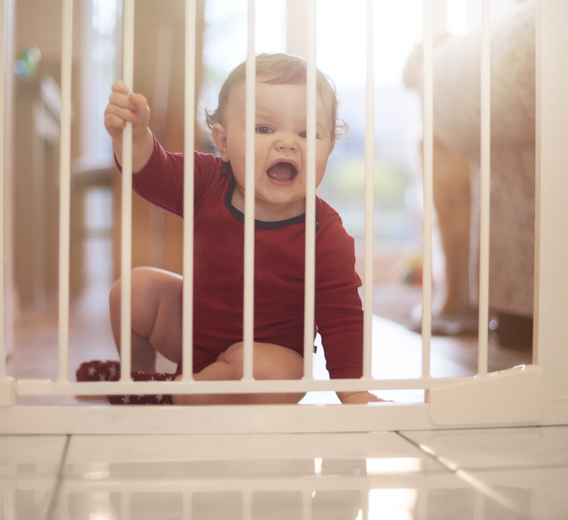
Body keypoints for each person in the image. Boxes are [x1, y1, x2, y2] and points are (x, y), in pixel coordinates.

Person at [78, 53, 381, 405]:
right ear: (222, 143)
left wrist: (355, 392)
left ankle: (171, 393)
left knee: (268, 375)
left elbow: (341, 318)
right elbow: (154, 173)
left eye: (306, 132)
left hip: (269, 359)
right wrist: (134, 137)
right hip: (194, 335)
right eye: (264, 129)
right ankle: (139, 381)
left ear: (328, 148)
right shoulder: (207, 180)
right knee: (134, 290)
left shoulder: (324, 233)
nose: (287, 142)